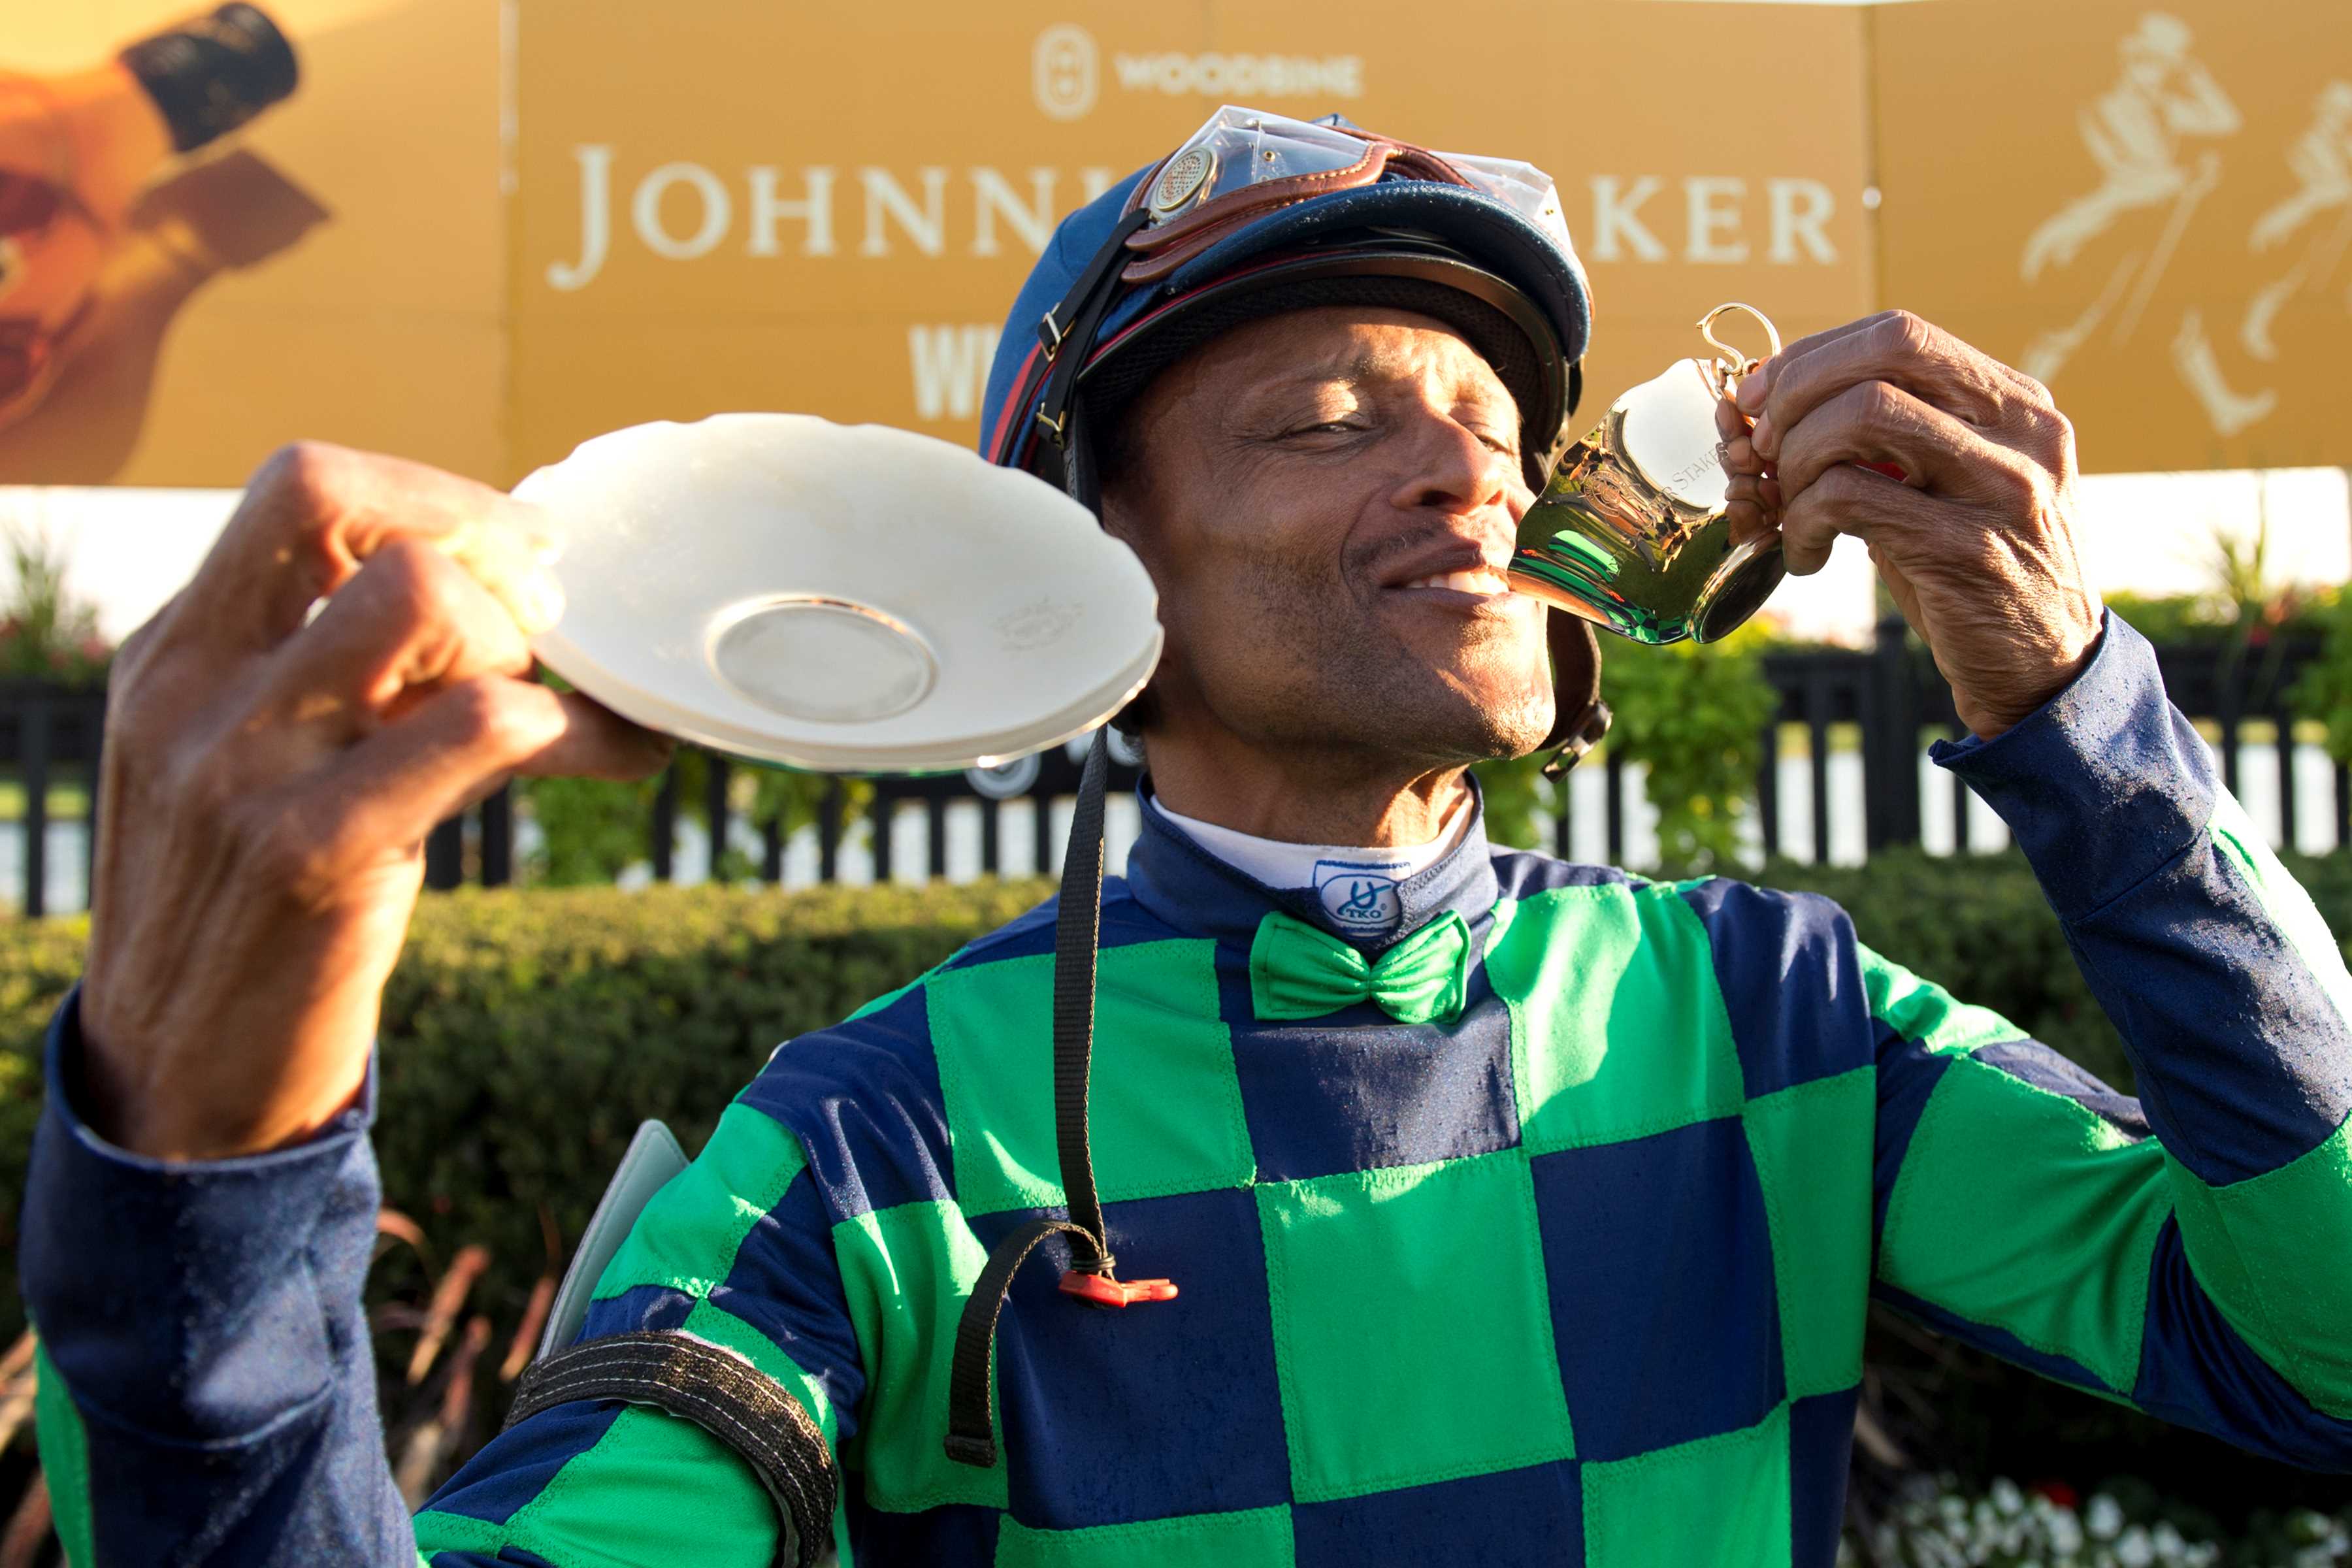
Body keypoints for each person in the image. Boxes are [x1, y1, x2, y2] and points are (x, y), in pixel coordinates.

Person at [24, 105, 2352, 1568]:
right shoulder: (874, 1144)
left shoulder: (1777, 1012)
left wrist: (2074, 703)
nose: (1463, 473)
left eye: (1489, 430)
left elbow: (2321, 1356)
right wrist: (205, 1175)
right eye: (1329, 419)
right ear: (1087, 593)